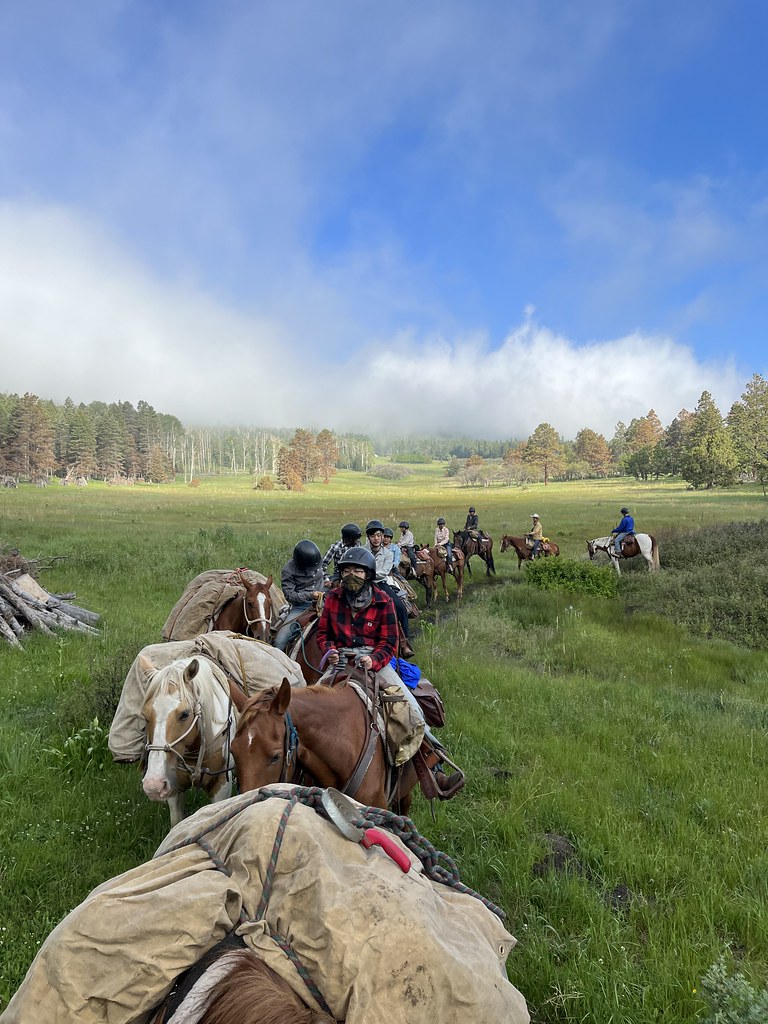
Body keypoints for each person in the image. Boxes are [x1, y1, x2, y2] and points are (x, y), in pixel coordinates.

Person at [316, 547, 433, 741]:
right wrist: (330, 651)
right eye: (346, 571)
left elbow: (389, 642)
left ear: (368, 574)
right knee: (311, 705)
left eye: (358, 571)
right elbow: (323, 634)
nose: (351, 575)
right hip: (341, 661)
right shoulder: (333, 598)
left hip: (374, 661)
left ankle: (431, 755)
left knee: (411, 708)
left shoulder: (383, 601)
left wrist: (373, 660)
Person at [364, 519, 413, 655]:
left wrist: (365, 575)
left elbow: (383, 573)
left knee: (399, 606)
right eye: (373, 535)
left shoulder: (388, 554)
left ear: (382, 536)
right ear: (368, 537)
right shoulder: (362, 551)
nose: (376, 538)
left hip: (380, 584)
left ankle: (404, 641)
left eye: (378, 535)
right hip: (362, 585)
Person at [274, 540, 325, 651]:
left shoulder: (316, 562)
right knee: (279, 641)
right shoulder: (288, 570)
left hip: (323, 602)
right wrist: (310, 595)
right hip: (300, 607)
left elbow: (323, 576)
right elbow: (289, 595)